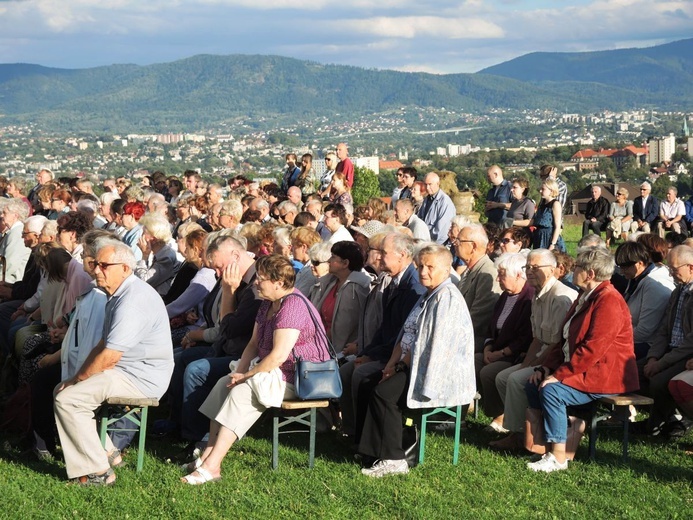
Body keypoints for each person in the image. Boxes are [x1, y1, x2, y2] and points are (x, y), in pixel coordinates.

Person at [181, 255, 331, 484]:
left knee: (244, 391)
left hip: (299, 377)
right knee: (224, 384)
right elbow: (252, 344)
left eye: (260, 279)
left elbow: (278, 356)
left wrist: (245, 377)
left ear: (279, 282)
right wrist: (237, 374)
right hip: (274, 372)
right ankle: (208, 455)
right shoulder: (267, 304)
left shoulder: (293, 307)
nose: (254, 283)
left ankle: (213, 466)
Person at [54, 240, 173, 485]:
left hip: (141, 379)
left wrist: (77, 380)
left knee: (69, 399)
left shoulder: (132, 299)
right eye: (96, 264)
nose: (97, 270)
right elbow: (102, 346)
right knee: (64, 390)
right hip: (127, 371)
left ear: (125, 269)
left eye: (105, 265)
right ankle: (107, 453)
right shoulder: (119, 294)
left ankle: (99, 472)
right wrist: (74, 378)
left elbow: (109, 356)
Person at [358, 244, 475, 477]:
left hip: (437, 372)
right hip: (411, 364)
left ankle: (395, 459)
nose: (423, 271)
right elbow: (406, 335)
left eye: (430, 267)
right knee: (368, 382)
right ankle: (371, 452)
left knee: (385, 394)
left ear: (446, 269)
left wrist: (400, 366)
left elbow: (432, 345)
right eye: (421, 266)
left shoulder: (448, 298)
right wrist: (391, 364)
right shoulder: (427, 294)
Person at [524, 247, 638, 472]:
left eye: (577, 267)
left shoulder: (609, 301)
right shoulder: (585, 296)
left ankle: (559, 457)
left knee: (551, 391)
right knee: (534, 383)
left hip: (605, 376)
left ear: (590, 273)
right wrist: (546, 368)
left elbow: (592, 350)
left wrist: (559, 376)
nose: (572, 269)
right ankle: (544, 445)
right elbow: (563, 339)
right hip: (583, 370)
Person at [339, 232, 426, 439]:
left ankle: (362, 436)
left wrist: (372, 356)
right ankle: (350, 430)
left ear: (402, 255)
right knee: (345, 371)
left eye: (384, 252)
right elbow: (384, 327)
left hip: (401, 358)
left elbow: (402, 335)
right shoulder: (394, 281)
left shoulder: (413, 287)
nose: (378, 256)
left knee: (360, 373)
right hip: (385, 351)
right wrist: (367, 351)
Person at [490, 249, 577, 452]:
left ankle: (521, 434)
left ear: (553, 270)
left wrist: (534, 368)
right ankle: (520, 427)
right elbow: (537, 339)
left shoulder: (560, 297)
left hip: (556, 360)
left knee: (516, 379)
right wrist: (526, 364)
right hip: (542, 354)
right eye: (527, 267)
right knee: (504, 377)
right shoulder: (537, 296)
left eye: (535, 267)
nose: (529, 271)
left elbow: (557, 343)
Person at [475, 253, 534, 433]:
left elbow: (525, 337)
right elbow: (492, 327)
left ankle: (500, 416)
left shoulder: (528, 298)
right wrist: (487, 348)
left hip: (514, 355)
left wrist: (501, 353)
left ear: (518, 275)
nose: (498, 279)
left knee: (488, 372)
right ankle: (462, 411)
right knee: (470, 361)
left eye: (502, 274)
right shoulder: (505, 296)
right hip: (496, 350)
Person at [638, 245, 693, 436]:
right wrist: (653, 357)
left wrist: (660, 364)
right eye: (669, 269)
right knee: (632, 372)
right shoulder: (678, 291)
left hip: (685, 355)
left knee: (659, 381)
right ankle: (665, 416)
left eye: (674, 269)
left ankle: (662, 423)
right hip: (669, 351)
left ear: (691, 267)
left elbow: (690, 343)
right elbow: (663, 330)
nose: (671, 274)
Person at [615, 241, 675, 359]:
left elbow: (644, 332)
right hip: (631, 337)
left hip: (648, 345)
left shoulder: (653, 286)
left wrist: (614, 337)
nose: (621, 272)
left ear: (639, 264)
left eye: (624, 267)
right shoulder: (636, 278)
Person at [311, 241, 371, 355]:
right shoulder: (331, 281)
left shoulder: (356, 288)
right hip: (322, 343)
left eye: (333, 257)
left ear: (345, 263)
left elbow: (345, 329)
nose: (329, 261)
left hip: (341, 351)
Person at [456, 224, 502, 352]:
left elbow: (478, 319)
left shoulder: (487, 273)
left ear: (473, 246)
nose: (455, 243)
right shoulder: (470, 269)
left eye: (459, 241)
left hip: (471, 342)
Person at [135, 213, 181, 296]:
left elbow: (143, 282)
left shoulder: (166, 258)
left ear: (154, 238)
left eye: (144, 232)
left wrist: (144, 256)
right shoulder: (160, 253)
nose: (141, 236)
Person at [417, 172, 456, 244]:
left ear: (438, 184)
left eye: (430, 184)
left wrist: (431, 245)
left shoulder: (445, 202)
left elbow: (442, 232)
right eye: (425, 184)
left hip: (437, 246)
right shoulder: (427, 199)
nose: (427, 187)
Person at [530, 179, 564, 252]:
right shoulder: (542, 204)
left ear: (551, 191)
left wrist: (553, 244)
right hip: (539, 237)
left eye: (543, 189)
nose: (540, 191)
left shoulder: (555, 204)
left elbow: (557, 226)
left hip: (549, 238)